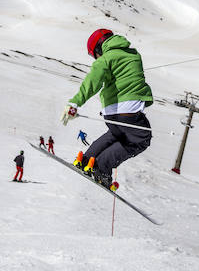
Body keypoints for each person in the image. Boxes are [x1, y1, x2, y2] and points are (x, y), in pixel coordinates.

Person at [61, 29, 153, 188]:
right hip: (128, 111)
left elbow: (93, 81)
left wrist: (75, 103)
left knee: (117, 135)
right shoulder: (134, 55)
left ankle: (87, 160)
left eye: (93, 55)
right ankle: (101, 167)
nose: (95, 58)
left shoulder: (106, 59)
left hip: (112, 113)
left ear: (98, 48)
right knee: (141, 139)